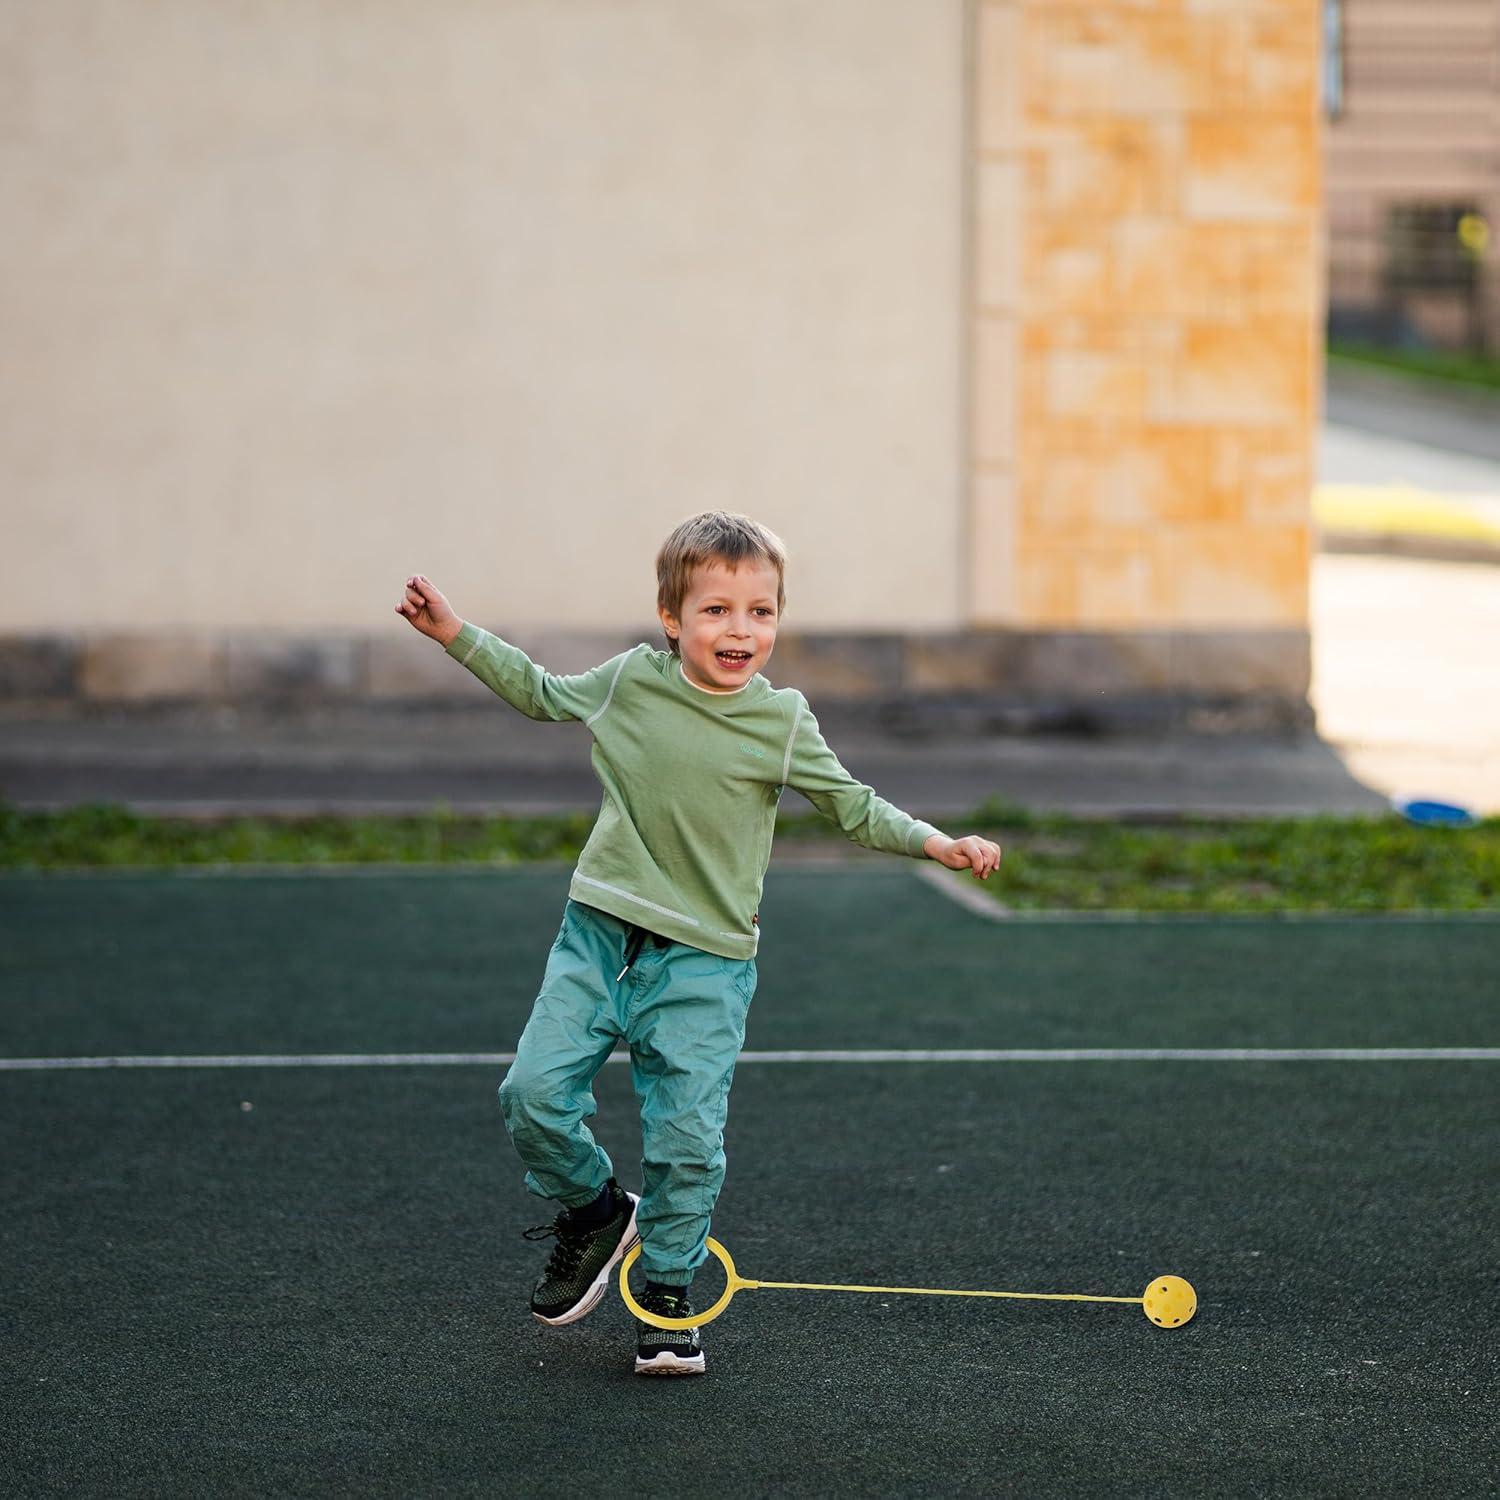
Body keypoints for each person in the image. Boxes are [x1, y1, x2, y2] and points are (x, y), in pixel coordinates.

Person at [395, 511, 1001, 1376]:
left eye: (761, 611)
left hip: (708, 961)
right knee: (530, 1094)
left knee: (687, 1143)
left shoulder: (782, 721)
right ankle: (595, 1210)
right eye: (716, 610)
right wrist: (453, 633)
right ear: (671, 617)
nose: (740, 630)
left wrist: (935, 841)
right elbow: (539, 692)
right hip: (599, 937)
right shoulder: (628, 683)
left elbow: (855, 805)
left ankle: (667, 1296)